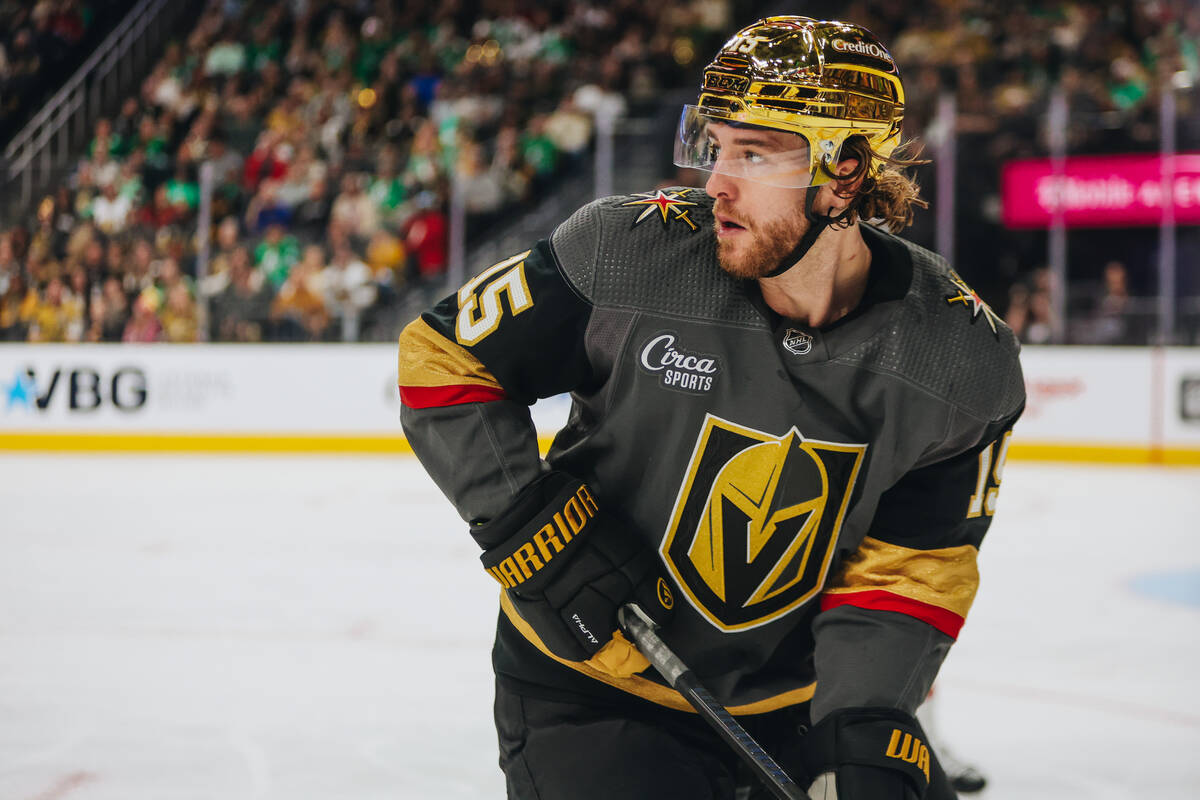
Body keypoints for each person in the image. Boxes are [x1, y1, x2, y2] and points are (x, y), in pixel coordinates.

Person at [397, 16, 1024, 800]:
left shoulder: (960, 358)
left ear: (849, 170)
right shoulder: (628, 254)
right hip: (590, 687)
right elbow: (443, 356)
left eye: (754, 153)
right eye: (713, 145)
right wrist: (533, 532)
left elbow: (912, 567)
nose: (715, 181)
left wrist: (862, 723)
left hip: (791, 709)